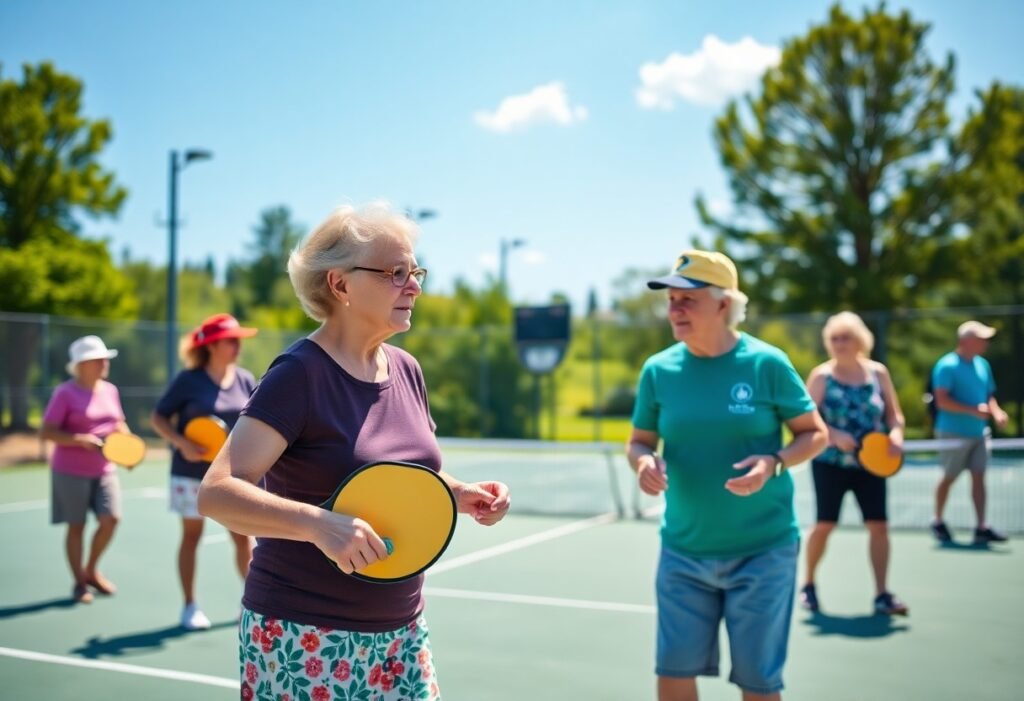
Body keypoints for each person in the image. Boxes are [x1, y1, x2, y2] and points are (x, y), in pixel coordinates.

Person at [197, 204, 511, 701]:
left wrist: (458, 492)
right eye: (395, 273)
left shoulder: (406, 369)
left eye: (414, 272)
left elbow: (394, 474)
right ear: (340, 285)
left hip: (403, 633)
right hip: (304, 635)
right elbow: (216, 494)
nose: (414, 286)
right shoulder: (299, 375)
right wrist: (320, 524)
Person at [627, 250, 828, 701]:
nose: (674, 309)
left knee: (758, 684)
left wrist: (773, 462)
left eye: (687, 299)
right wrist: (643, 462)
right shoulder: (658, 370)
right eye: (672, 299)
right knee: (673, 676)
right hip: (682, 552)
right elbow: (639, 441)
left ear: (724, 304)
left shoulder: (767, 364)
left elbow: (815, 434)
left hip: (763, 554)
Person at [151, 313, 259, 630]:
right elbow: (159, 417)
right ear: (212, 346)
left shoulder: (245, 379)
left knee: (243, 537)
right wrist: (180, 442)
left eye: (238, 339)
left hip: (233, 476)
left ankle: (251, 603)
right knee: (191, 536)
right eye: (230, 340)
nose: (237, 345)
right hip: (190, 473)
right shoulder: (188, 380)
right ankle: (189, 606)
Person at [800, 312, 908, 616]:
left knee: (879, 526)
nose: (839, 344)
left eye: (845, 337)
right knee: (824, 524)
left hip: (872, 466)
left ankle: (882, 594)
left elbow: (894, 416)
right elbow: (807, 419)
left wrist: (896, 434)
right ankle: (808, 584)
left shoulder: (878, 373)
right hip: (830, 463)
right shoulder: (821, 376)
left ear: (859, 340)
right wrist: (833, 435)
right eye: (834, 338)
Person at [40, 335, 129, 604]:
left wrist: (129, 446)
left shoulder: (111, 390)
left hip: (104, 469)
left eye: (105, 359)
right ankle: (80, 583)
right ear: (80, 365)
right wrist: (80, 440)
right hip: (69, 470)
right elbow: (47, 431)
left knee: (111, 519)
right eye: (96, 360)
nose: (103, 363)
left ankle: (91, 569)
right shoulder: (65, 393)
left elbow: (119, 425)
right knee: (76, 526)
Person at [930, 320, 1010, 545]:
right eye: (981, 338)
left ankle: (981, 526)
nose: (985, 343)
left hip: (979, 433)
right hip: (952, 434)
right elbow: (942, 401)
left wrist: (996, 412)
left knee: (979, 477)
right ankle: (937, 520)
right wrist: (973, 411)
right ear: (965, 341)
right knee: (949, 477)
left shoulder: (983, 365)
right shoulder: (946, 365)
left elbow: (988, 396)